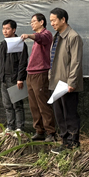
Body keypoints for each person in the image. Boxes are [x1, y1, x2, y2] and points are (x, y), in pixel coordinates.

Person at [47, 8, 83, 153]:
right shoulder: (57, 36)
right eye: (50, 21)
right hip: (56, 82)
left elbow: (76, 62)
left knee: (70, 113)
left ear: (63, 20)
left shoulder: (73, 37)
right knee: (59, 114)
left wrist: (71, 82)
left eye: (54, 20)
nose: (52, 24)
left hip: (66, 83)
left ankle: (73, 142)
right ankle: (65, 141)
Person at [20, 13, 57, 142]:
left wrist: (28, 36)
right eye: (31, 22)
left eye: (34, 21)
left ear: (42, 22)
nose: (32, 24)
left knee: (43, 104)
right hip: (30, 74)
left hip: (40, 73)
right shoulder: (37, 38)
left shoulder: (46, 34)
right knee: (33, 105)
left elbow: (40, 38)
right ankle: (39, 131)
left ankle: (51, 133)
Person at [0, 19, 28, 136]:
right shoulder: (3, 44)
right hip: (3, 79)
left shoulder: (20, 43)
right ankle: (10, 127)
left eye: (7, 29)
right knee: (7, 105)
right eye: (3, 29)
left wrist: (20, 78)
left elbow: (23, 62)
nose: (5, 31)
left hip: (14, 79)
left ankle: (20, 128)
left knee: (17, 104)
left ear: (14, 30)